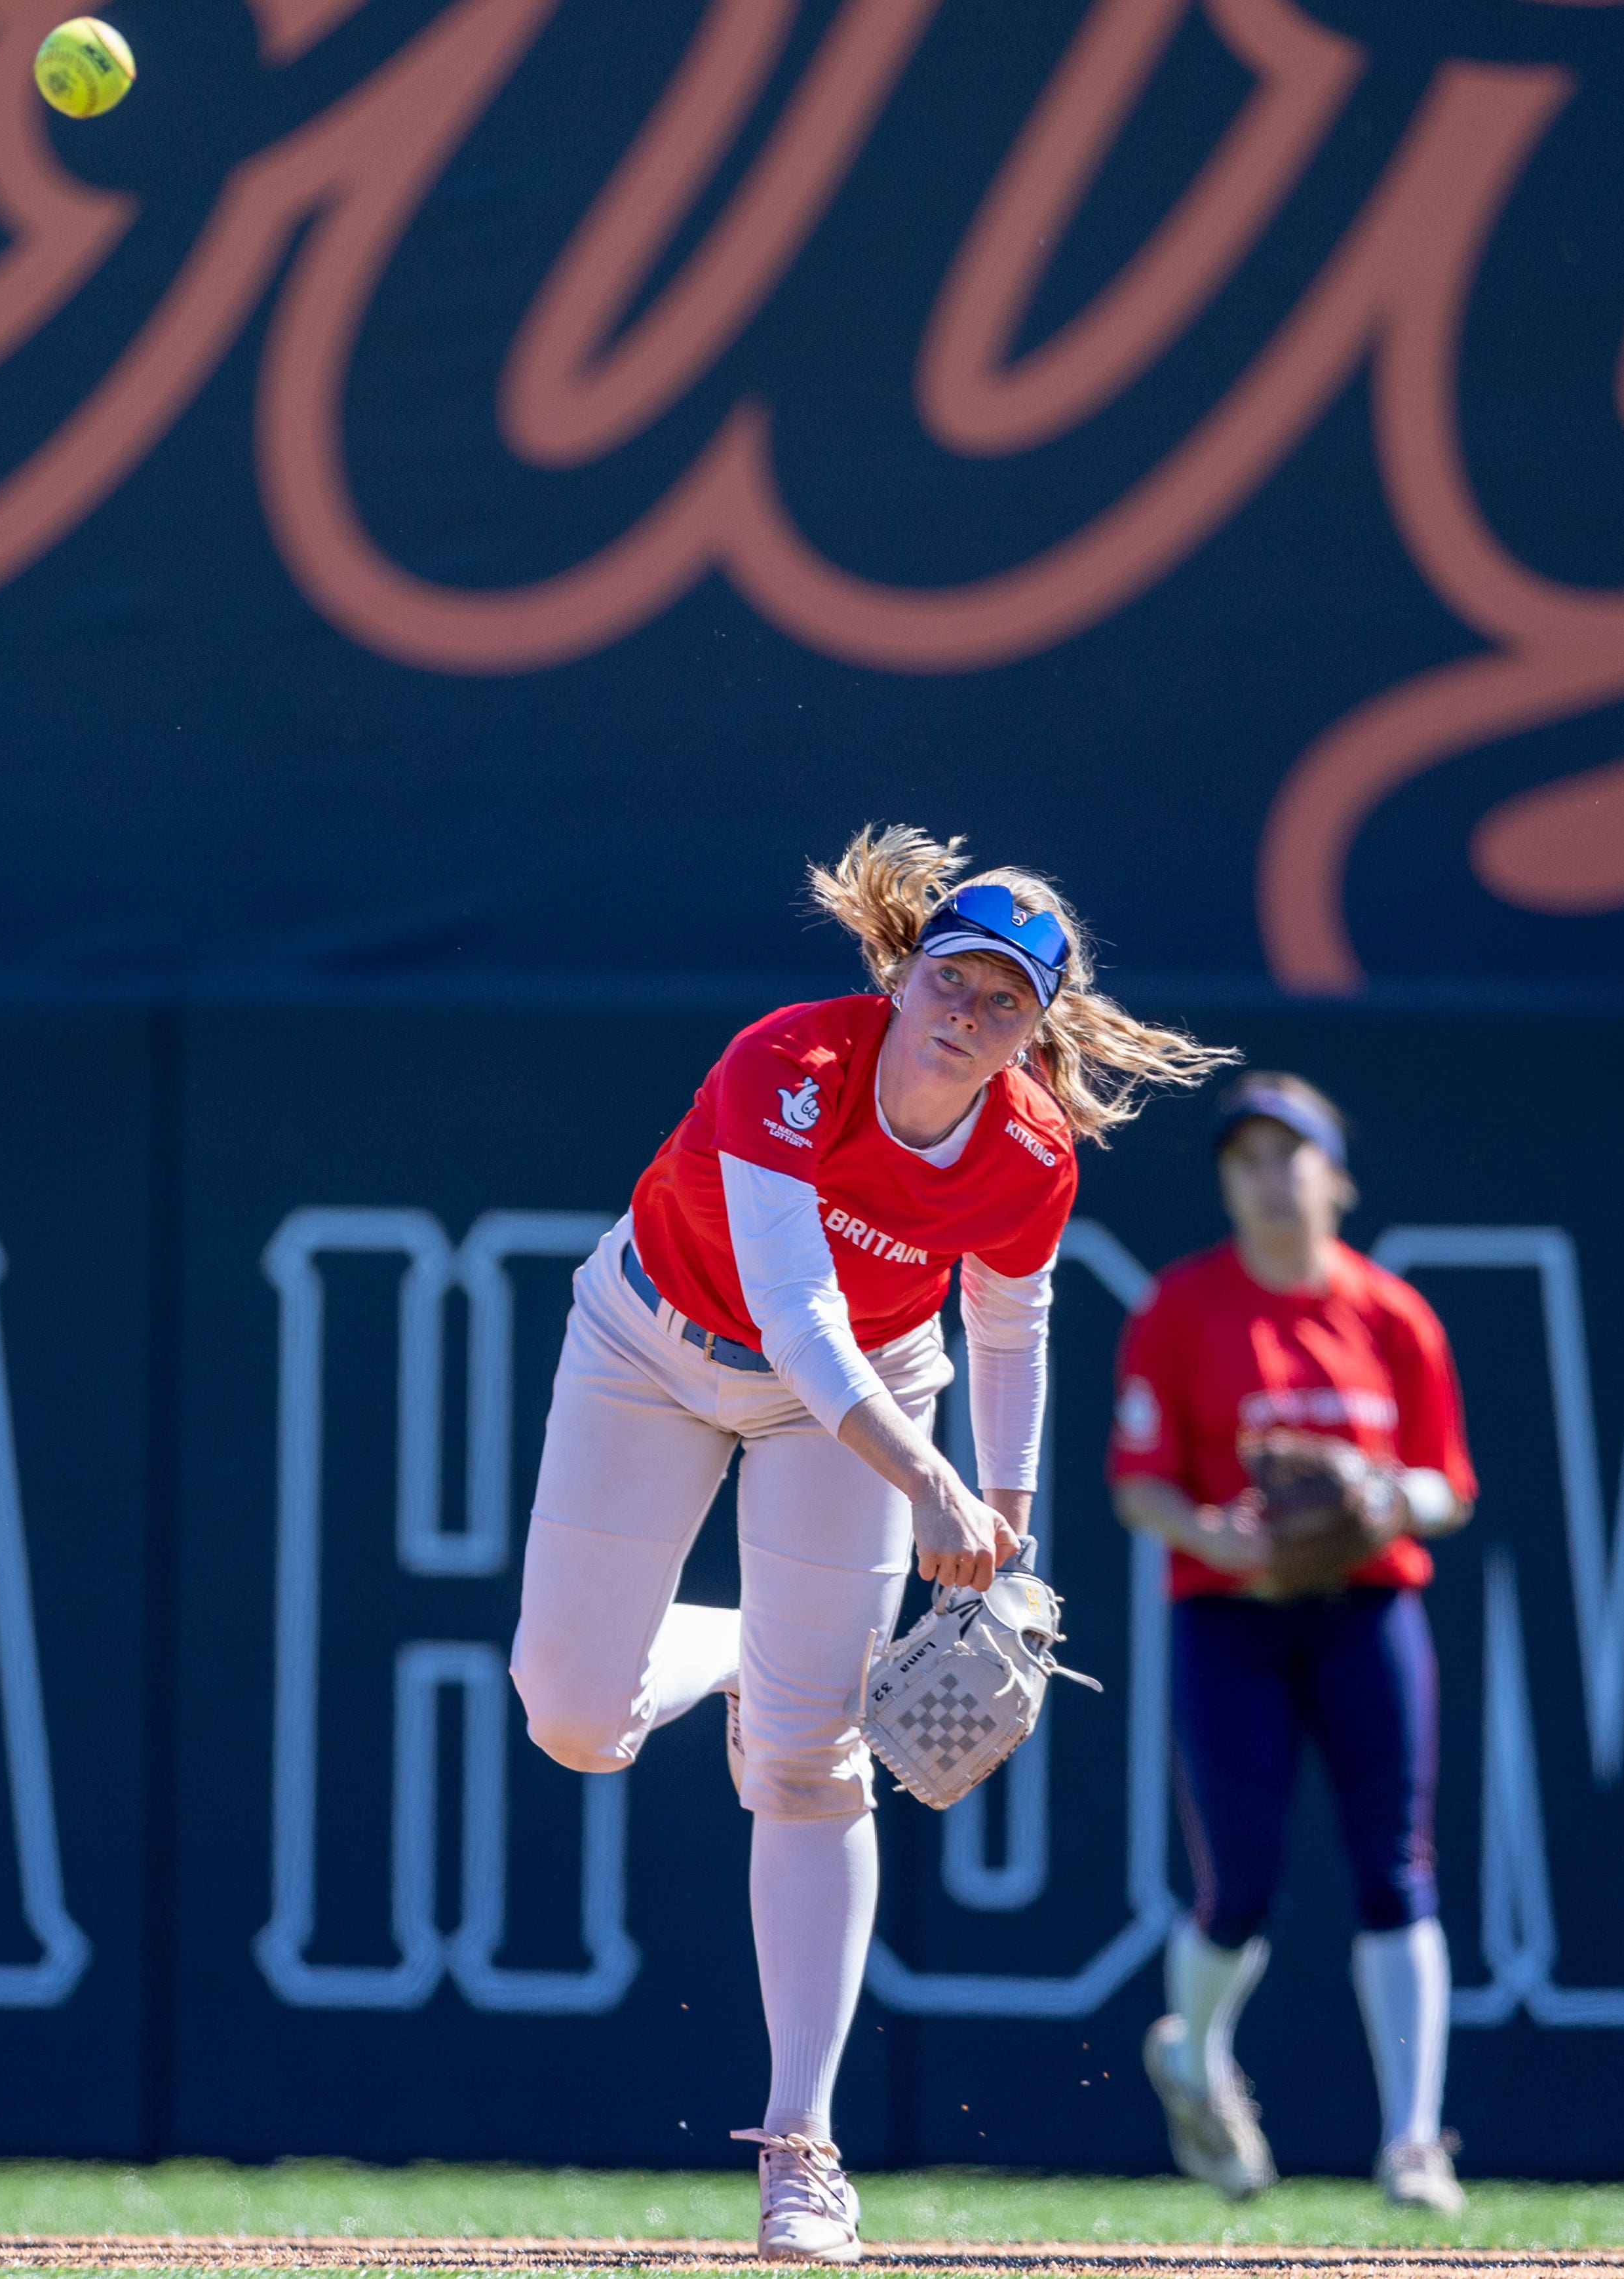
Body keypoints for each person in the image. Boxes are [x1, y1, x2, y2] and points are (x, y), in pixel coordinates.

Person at [507, 824, 1232, 2263]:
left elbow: (1011, 1324)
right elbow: (795, 1313)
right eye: (957, 976)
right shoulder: (788, 1061)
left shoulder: (1027, 1150)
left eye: (1007, 999)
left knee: (808, 1752)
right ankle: (744, 1650)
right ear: (904, 969)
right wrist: (934, 1492)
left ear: (1038, 1023)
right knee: (576, 1719)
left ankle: (801, 2144)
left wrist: (1006, 1509)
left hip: (873, 1390)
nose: (972, 1012)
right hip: (652, 1339)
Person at [1108, 1072, 1478, 2215]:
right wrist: (1211, 1531)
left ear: (1337, 1176)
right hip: (1232, 1613)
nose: (1272, 1179)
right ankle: (1197, 2056)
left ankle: (1415, 2142)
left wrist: (1384, 1493)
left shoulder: (1391, 1315)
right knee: (1243, 1879)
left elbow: (1450, 1485)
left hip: (1366, 1607)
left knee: (1395, 1868)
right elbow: (1138, 1484)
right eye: (1248, 1159)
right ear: (1226, 1181)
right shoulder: (1181, 1307)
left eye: (1292, 1155)